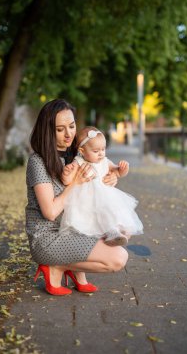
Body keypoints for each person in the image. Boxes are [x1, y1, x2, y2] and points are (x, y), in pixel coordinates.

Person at [25, 99, 128, 296]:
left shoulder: (74, 154)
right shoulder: (37, 162)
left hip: (75, 227)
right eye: (60, 129)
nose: (69, 134)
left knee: (123, 230)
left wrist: (112, 177)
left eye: (71, 126)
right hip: (48, 237)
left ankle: (70, 268)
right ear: (48, 131)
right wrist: (75, 183)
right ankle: (56, 267)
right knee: (118, 258)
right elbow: (50, 212)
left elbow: (100, 170)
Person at [59, 127, 143, 246]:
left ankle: (115, 232)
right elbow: (67, 181)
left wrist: (123, 169)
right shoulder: (78, 161)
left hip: (105, 196)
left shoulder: (104, 161)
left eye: (103, 149)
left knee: (110, 211)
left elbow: (117, 172)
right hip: (86, 199)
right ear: (82, 151)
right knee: (94, 218)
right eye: (96, 151)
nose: (101, 153)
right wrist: (66, 173)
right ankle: (111, 234)